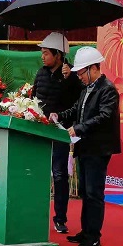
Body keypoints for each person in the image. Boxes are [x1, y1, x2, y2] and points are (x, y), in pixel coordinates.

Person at [50, 46, 121, 246]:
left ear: (93, 68)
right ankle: (86, 231)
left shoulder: (107, 89)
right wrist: (60, 115)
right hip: (85, 146)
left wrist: (79, 128)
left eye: (81, 73)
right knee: (85, 191)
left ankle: (94, 236)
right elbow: (77, 109)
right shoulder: (87, 88)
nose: (79, 77)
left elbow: (104, 116)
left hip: (98, 148)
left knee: (94, 193)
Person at [32, 32, 82, 234]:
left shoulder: (72, 76)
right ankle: (35, 213)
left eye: (46, 53)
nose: (43, 57)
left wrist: (70, 79)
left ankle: (60, 218)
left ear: (58, 55)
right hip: (39, 129)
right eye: (42, 53)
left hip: (60, 132)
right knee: (36, 172)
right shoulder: (41, 73)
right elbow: (34, 97)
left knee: (59, 174)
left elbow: (78, 102)